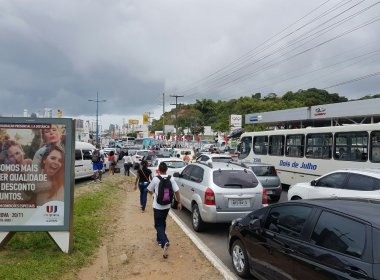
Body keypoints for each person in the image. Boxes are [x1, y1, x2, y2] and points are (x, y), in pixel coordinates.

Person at [147, 162, 182, 259]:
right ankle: (159, 240)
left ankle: (164, 241)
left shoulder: (155, 179)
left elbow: (149, 189)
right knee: (163, 222)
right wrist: (179, 202)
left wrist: (153, 195)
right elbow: (177, 191)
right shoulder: (171, 178)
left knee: (158, 225)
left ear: (159, 170)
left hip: (157, 206)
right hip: (167, 206)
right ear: (166, 169)